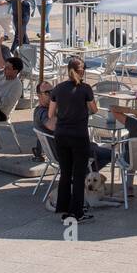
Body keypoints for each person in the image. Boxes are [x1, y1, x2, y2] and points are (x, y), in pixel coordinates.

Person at [47, 57, 99, 223]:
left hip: (61, 134)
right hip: (78, 135)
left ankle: (62, 206)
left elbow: (50, 114)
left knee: (65, 172)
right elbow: (94, 109)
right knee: (78, 175)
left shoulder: (58, 88)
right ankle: (77, 212)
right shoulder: (85, 89)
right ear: (82, 70)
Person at [0, 55, 25, 120]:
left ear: (15, 71)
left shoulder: (17, 86)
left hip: (1, 113)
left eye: (7, 68)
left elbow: (4, 104)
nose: (4, 69)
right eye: (4, 67)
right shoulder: (0, 78)